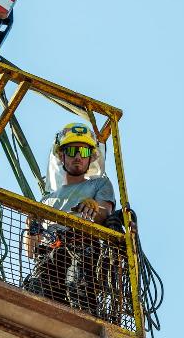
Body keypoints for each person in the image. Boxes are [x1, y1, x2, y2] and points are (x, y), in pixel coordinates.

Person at [23, 122, 115, 315]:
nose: (78, 157)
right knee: (37, 291)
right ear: (61, 155)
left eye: (83, 151)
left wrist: (93, 208)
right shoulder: (46, 201)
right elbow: (30, 251)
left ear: (91, 157)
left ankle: (87, 326)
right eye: (72, 150)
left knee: (77, 284)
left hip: (82, 246)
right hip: (51, 252)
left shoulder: (100, 184)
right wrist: (30, 225)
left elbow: (105, 214)